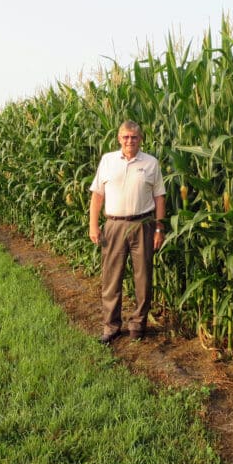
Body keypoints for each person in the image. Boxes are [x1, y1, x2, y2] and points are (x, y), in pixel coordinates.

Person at [89, 120, 166, 344]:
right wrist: (93, 224)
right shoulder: (108, 160)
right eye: (125, 137)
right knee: (111, 278)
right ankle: (111, 326)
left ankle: (138, 325)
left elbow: (159, 197)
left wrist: (159, 228)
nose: (129, 141)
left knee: (143, 277)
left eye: (134, 137)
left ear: (140, 139)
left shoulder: (151, 163)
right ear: (119, 138)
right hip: (114, 225)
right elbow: (97, 195)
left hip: (143, 224)